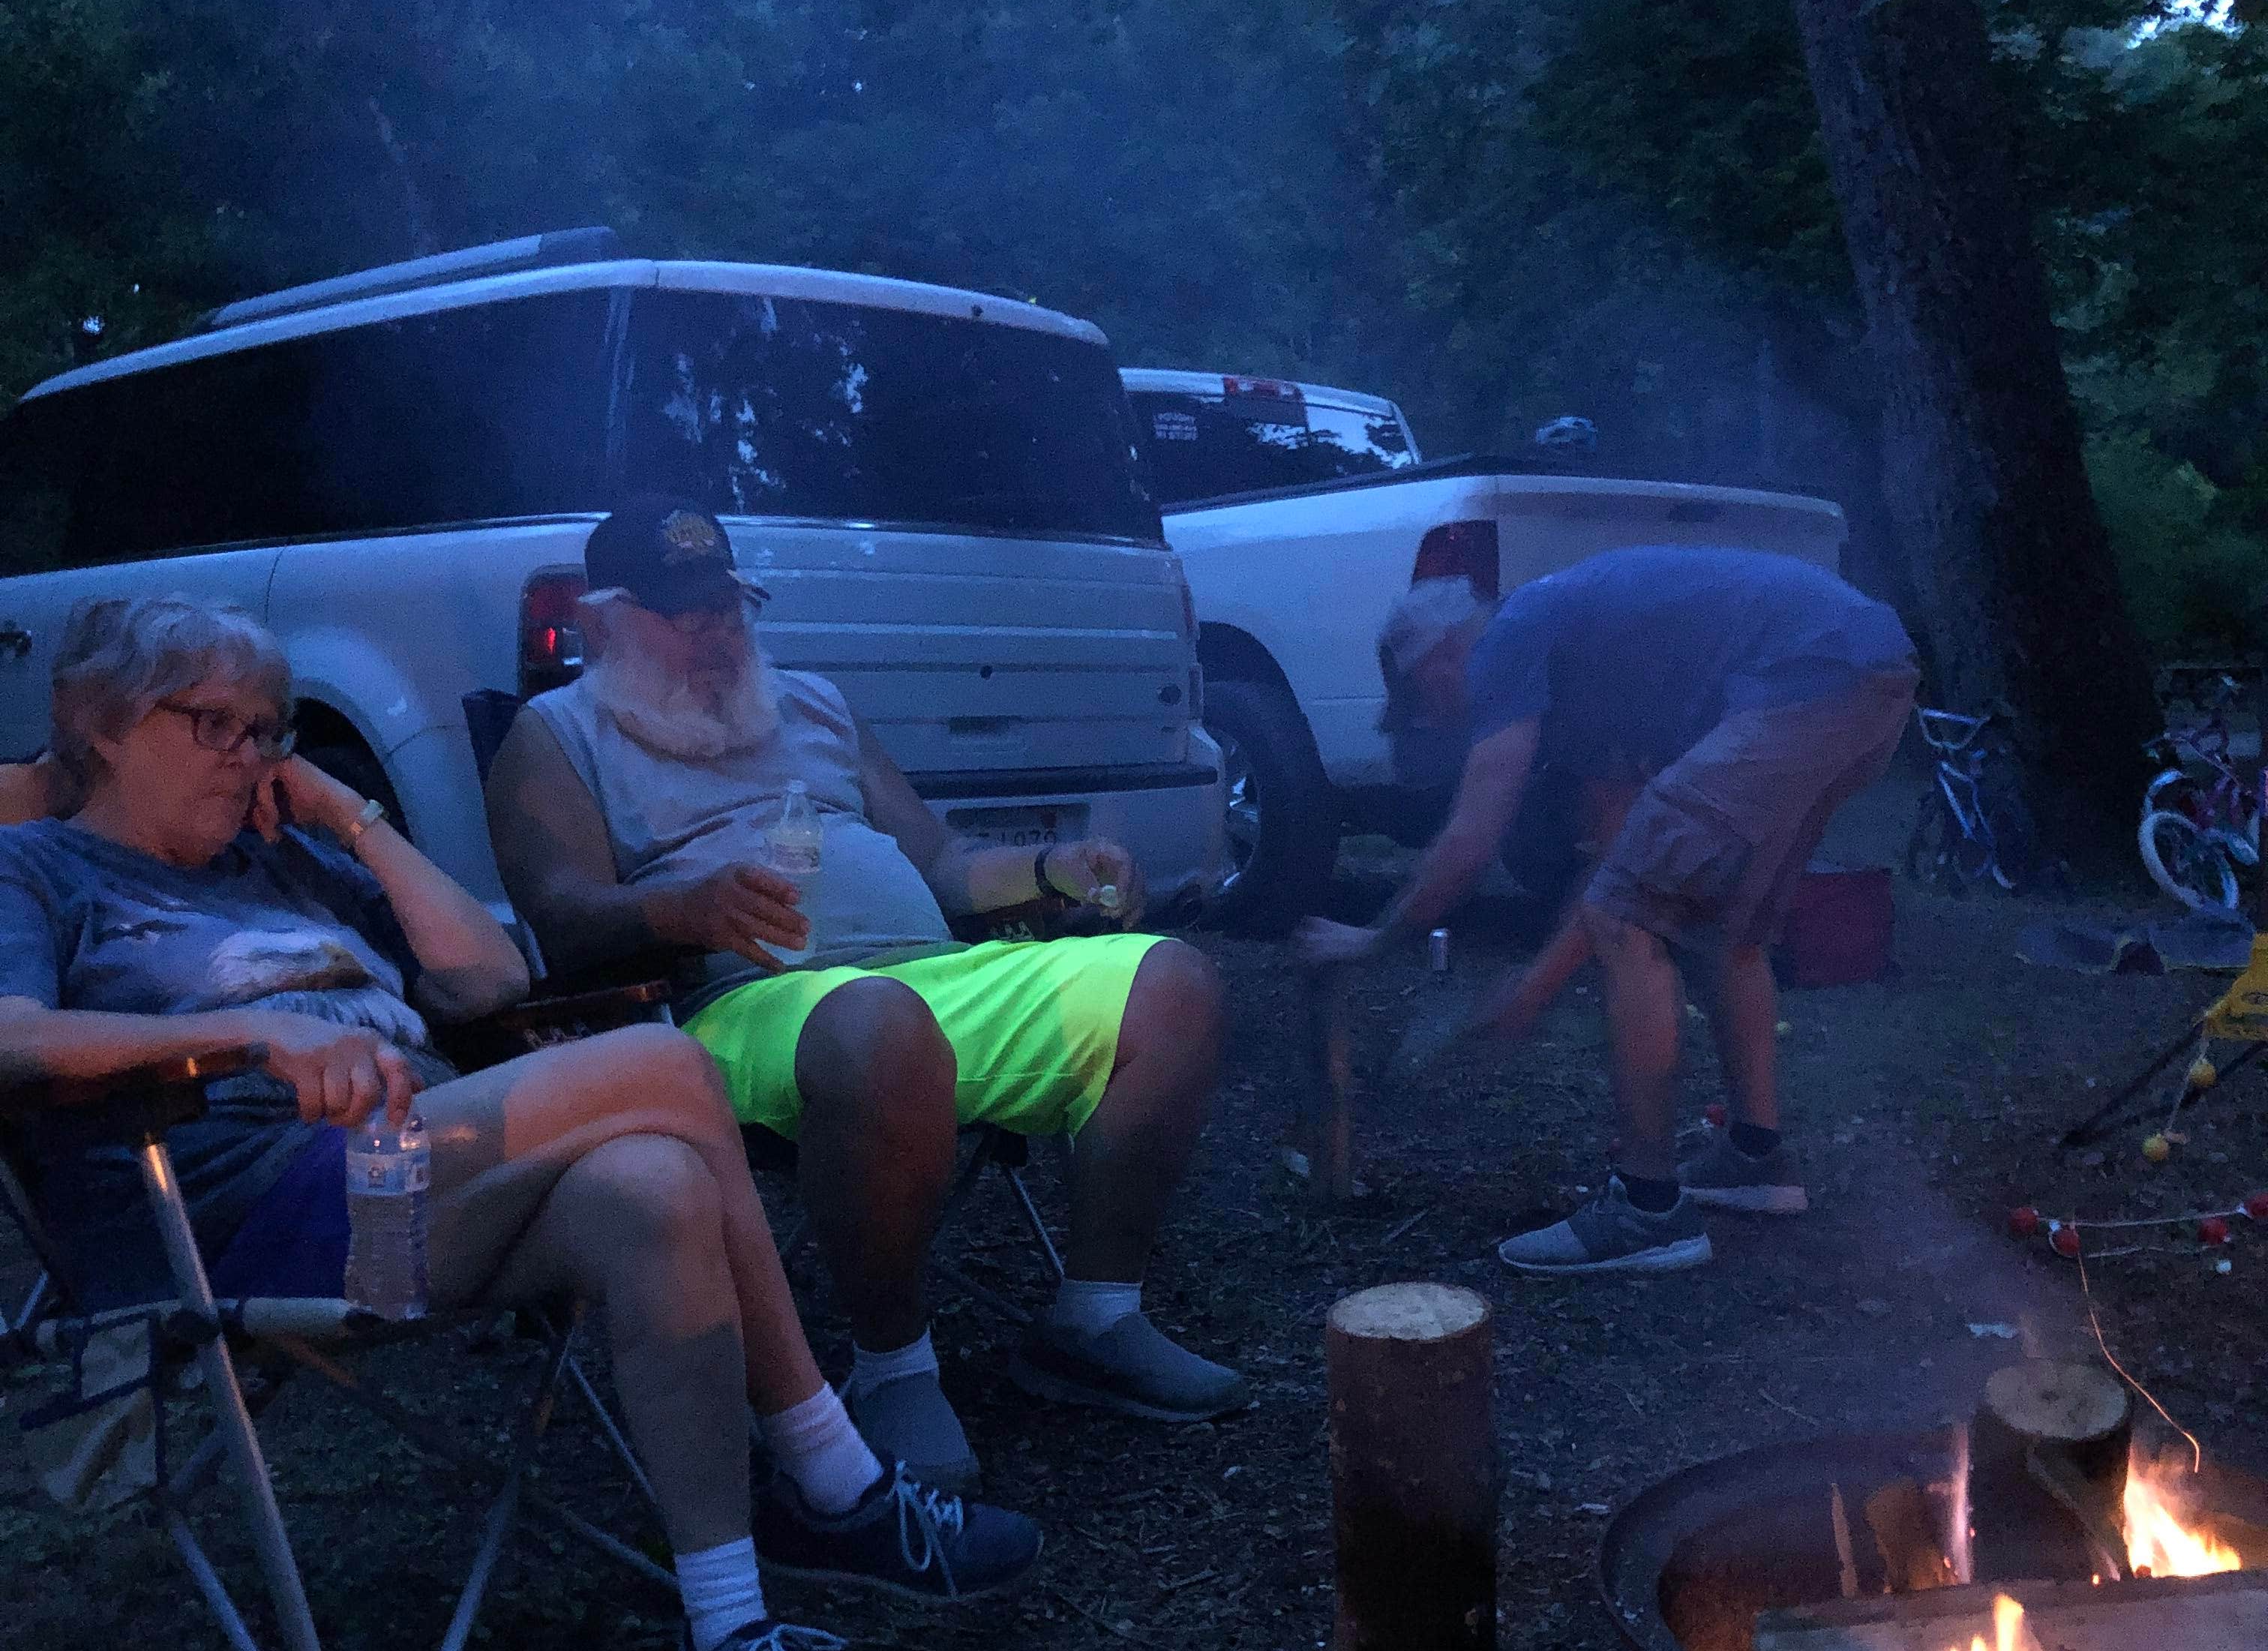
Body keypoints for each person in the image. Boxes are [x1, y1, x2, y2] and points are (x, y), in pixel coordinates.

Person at [0, 593, 1043, 1651]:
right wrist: (249, 1033)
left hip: (409, 1207)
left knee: (653, 1188)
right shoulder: (36, 868)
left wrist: (350, 816)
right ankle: (837, 1476)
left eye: (270, 731)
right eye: (213, 725)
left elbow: (489, 977)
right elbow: (10, 1039)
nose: (249, 757)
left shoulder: (282, 863)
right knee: (665, 1066)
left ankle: (728, 1636)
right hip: (250, 1233)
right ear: (100, 722)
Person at [487, 495, 1245, 1493]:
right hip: (745, 1002)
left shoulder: (812, 703)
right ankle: (890, 1365)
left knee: (1169, 983)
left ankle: (1095, 1318)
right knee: (879, 1027)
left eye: (726, 607)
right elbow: (558, 911)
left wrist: (1054, 865)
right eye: (682, 615)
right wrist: (681, 909)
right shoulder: (557, 733)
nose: (713, 632)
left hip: (927, 976)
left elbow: (940, 862)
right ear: (607, 620)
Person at [1299, 544, 1917, 1274]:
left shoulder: (1509, 636)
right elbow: (1618, 857)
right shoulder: (1587, 672)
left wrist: (1370, 942)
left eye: (1423, 702)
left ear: (1434, 659)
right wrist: (1537, 985)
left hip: (1806, 679)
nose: (1439, 718)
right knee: (1728, 933)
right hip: (1874, 677)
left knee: (1634, 927)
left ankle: (1647, 1208)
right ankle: (1755, 1160)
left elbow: (1473, 839)